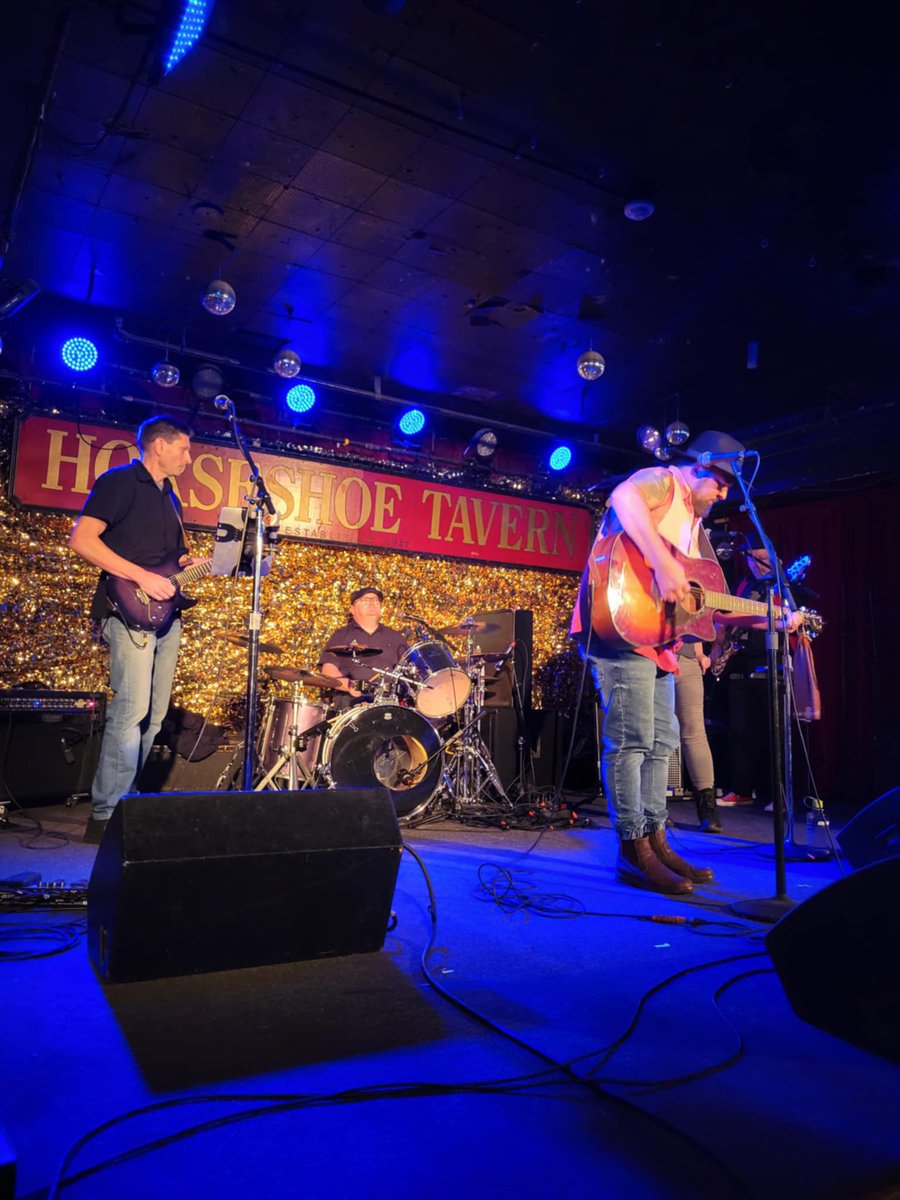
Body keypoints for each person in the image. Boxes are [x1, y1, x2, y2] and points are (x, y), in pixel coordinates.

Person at [570, 429, 754, 895]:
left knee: (661, 741)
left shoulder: (692, 522)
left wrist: (768, 617)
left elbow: (701, 602)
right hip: (621, 627)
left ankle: (656, 839)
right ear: (698, 466)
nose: (724, 493)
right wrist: (662, 561)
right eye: (720, 482)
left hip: (659, 639)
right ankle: (632, 850)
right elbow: (622, 496)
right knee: (631, 740)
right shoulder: (663, 480)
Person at [69, 414, 204, 843]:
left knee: (155, 714)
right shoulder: (119, 481)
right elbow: (82, 540)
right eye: (183, 449)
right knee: (130, 710)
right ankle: (106, 814)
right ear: (159, 446)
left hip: (166, 615)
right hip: (128, 610)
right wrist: (142, 577)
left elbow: (170, 560)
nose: (188, 457)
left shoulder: (172, 498)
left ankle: (128, 804)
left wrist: (191, 564)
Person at [715, 534, 806, 808]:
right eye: (752, 560)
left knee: (776, 734)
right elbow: (724, 618)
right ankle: (742, 790)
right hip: (740, 664)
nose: (757, 565)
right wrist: (718, 647)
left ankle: (781, 796)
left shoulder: (784, 586)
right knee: (739, 731)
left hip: (773, 665)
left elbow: (795, 622)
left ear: (775, 558)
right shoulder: (742, 585)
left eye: (763, 559)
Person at [320, 586, 408, 709]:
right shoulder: (341, 635)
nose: (372, 603)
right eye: (365, 600)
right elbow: (328, 670)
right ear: (352, 609)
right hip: (351, 702)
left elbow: (412, 671)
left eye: (376, 600)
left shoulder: (396, 637)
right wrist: (349, 685)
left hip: (389, 702)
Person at [673, 640, 724, 833]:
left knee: (694, 732)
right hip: (652, 658)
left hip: (686, 658)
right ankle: (654, 810)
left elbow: (694, 624)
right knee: (656, 734)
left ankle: (707, 809)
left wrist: (699, 652)